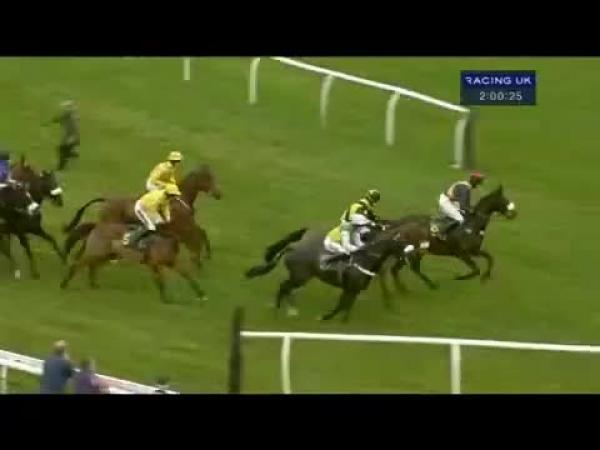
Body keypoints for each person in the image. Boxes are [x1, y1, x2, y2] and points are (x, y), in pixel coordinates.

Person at [123, 184, 182, 248]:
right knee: (151, 227)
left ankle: (142, 241)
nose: (174, 197)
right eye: (173, 195)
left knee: (154, 225)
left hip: (148, 208)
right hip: (141, 209)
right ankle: (129, 238)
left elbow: (165, 207)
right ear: (169, 194)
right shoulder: (158, 198)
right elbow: (151, 210)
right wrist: (159, 219)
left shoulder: (165, 197)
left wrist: (167, 218)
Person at [437, 172, 485, 238]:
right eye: (478, 183)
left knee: (463, 214)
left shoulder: (465, 186)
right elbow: (463, 206)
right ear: (474, 182)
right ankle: (441, 232)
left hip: (450, 201)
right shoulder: (465, 188)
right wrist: (472, 211)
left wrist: (473, 209)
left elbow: (466, 204)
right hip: (446, 202)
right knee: (460, 219)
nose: (478, 185)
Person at [52, 100, 80, 171]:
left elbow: (74, 129)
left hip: (71, 137)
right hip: (70, 137)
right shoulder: (70, 115)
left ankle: (61, 166)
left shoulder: (70, 117)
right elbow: (59, 119)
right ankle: (71, 154)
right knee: (63, 150)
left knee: (62, 150)